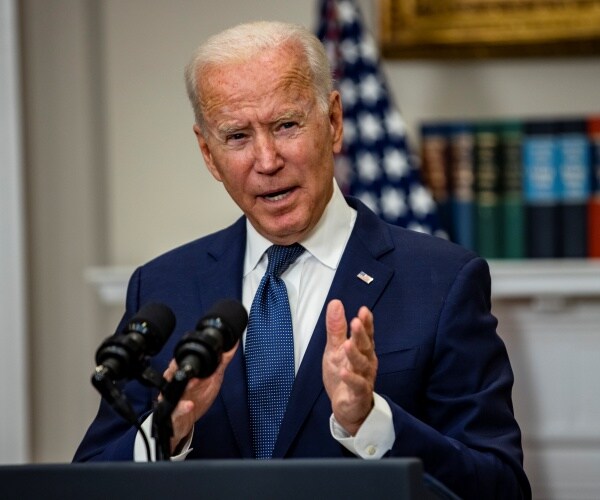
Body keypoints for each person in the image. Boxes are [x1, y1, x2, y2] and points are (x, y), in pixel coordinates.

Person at [74, 20, 531, 499]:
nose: (267, 160)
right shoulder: (164, 286)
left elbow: (501, 488)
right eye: (236, 137)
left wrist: (370, 421)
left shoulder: (441, 281)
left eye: (286, 125)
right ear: (208, 154)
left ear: (333, 122)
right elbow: (83, 485)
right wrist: (164, 434)